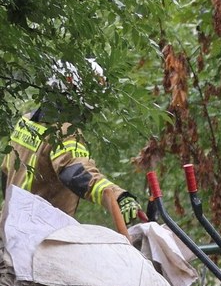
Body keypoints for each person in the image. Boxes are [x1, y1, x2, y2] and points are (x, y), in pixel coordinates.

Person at [2, 59, 147, 225]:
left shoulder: (25, 122)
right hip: (43, 232)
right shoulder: (63, 132)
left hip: (11, 224)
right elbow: (77, 173)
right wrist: (119, 196)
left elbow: (5, 173)